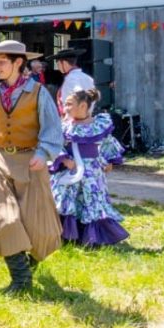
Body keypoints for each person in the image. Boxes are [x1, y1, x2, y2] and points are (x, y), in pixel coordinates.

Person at [0, 40, 64, 293]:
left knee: (38, 226)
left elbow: (52, 126)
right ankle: (21, 280)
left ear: (18, 63)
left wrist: (44, 152)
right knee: (2, 219)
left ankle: (28, 265)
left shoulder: (38, 92)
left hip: (31, 162)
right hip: (2, 161)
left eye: (2, 62)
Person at [50, 88, 129, 247]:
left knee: (92, 202)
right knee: (67, 200)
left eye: (69, 104)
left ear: (83, 105)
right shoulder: (64, 126)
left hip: (92, 172)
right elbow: (54, 144)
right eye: (65, 105)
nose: (65, 108)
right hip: (71, 171)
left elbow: (108, 142)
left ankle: (92, 237)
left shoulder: (99, 124)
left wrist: (109, 160)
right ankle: (65, 235)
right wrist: (64, 159)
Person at [49, 48, 94, 114]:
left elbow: (79, 94)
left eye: (58, 64)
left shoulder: (70, 79)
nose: (58, 67)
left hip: (73, 120)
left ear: (63, 63)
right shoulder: (88, 78)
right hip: (87, 116)